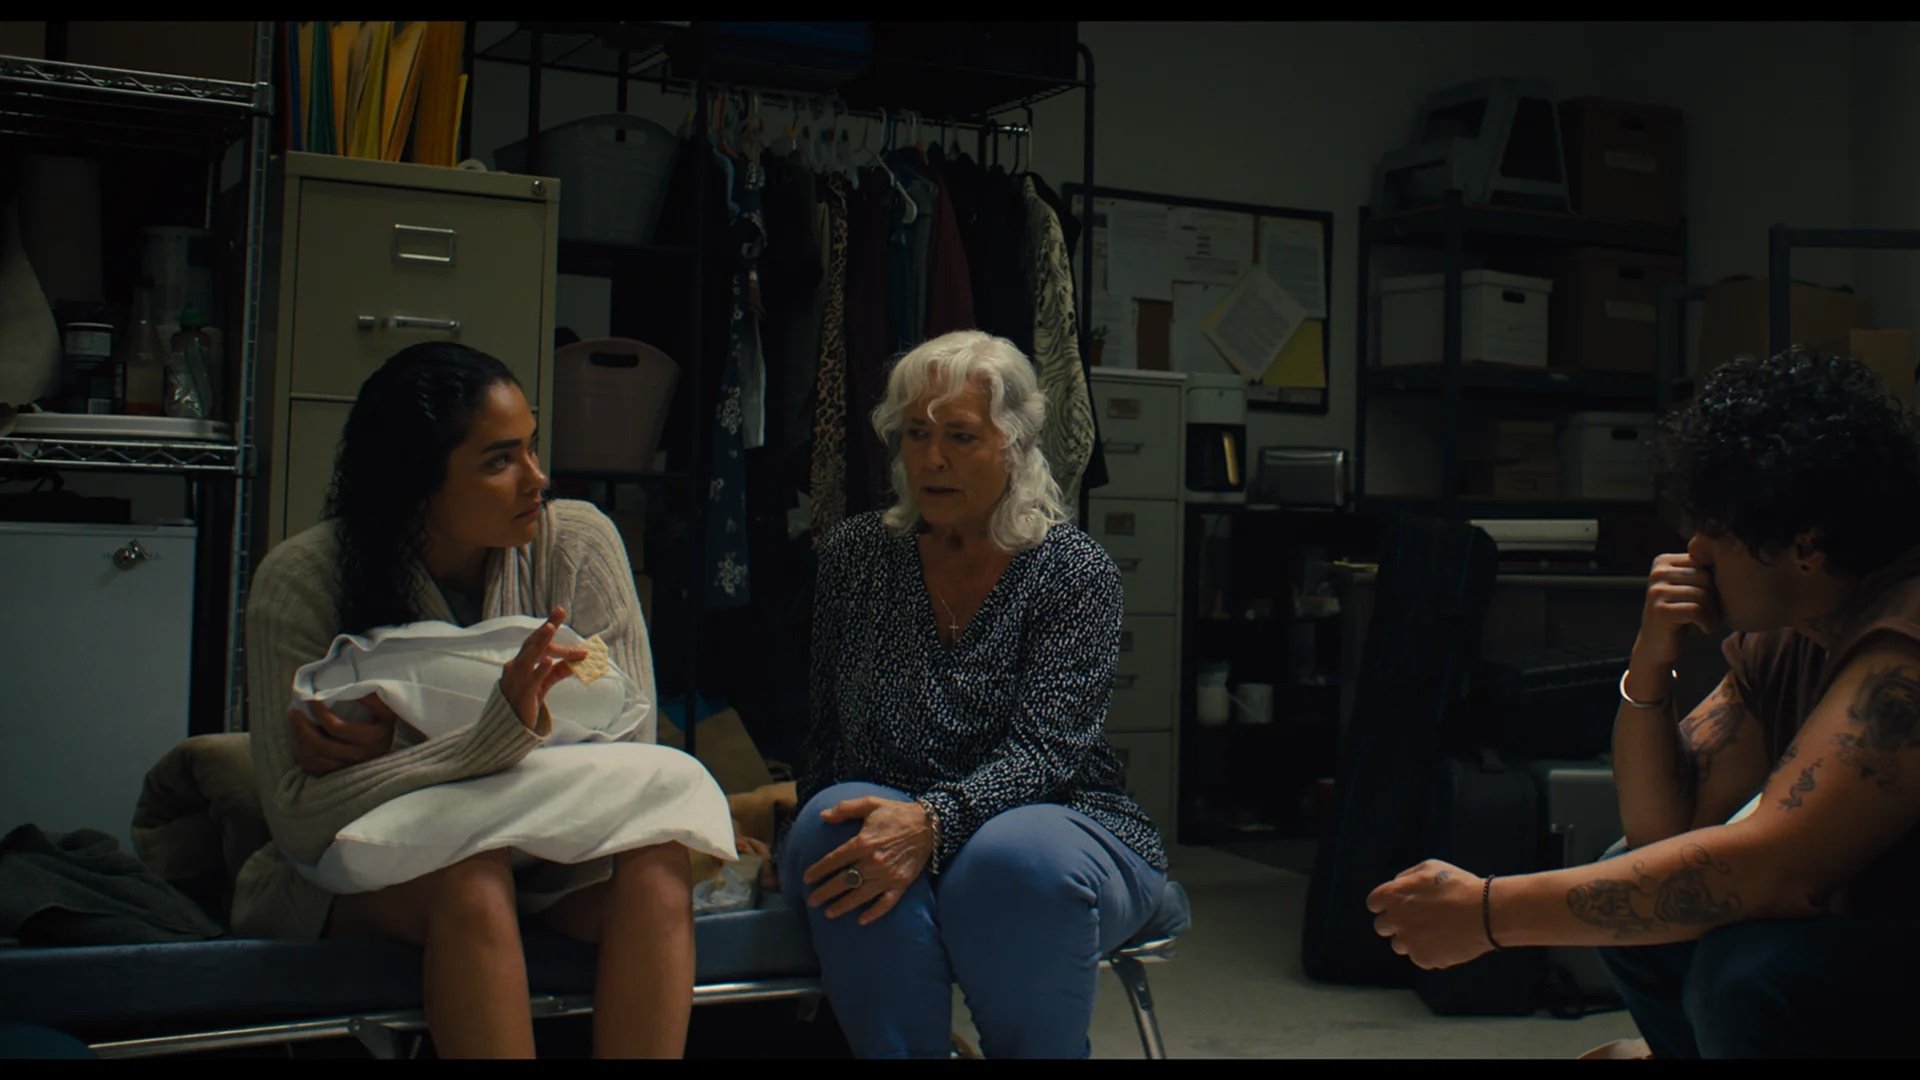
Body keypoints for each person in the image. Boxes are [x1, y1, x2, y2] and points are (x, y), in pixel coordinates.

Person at [1367, 347, 1920, 1058]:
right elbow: (1664, 831)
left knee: (1747, 974)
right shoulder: (1795, 634)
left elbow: (1773, 871)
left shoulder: (1903, 640)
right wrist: (1649, 661)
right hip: (1871, 929)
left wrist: (1488, 913)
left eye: (1716, 530)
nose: (1693, 551)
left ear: (1806, 547)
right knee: (1638, 892)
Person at [232, 342, 697, 1059]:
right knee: (470, 875)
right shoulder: (301, 582)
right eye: (498, 461)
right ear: (416, 485)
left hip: (548, 860)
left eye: (532, 449)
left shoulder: (578, 545)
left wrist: (402, 752)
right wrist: (495, 734)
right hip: (375, 874)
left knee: (660, 860)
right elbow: (298, 820)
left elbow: (630, 769)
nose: (536, 479)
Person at [779, 329, 1170, 1059]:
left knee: (1007, 860)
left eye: (960, 436)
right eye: (917, 434)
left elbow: (1046, 753)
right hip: (897, 816)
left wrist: (934, 822)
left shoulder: (1072, 571)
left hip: (1052, 818)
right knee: (832, 829)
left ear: (1016, 446)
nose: (931, 459)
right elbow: (826, 730)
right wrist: (804, 820)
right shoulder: (858, 556)